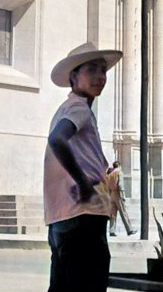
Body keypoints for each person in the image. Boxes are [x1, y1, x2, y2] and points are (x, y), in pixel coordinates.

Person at [44, 42, 122, 292]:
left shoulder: (67, 108)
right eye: (92, 70)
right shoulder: (78, 108)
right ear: (74, 77)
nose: (100, 77)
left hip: (63, 216)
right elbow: (57, 140)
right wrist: (84, 182)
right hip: (83, 214)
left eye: (103, 71)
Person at [107, 160, 133, 236]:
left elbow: (108, 186)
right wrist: (123, 195)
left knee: (113, 214)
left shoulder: (110, 174)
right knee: (123, 212)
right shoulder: (119, 173)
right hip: (118, 194)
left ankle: (112, 231)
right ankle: (129, 230)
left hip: (111, 194)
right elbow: (120, 185)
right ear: (119, 166)